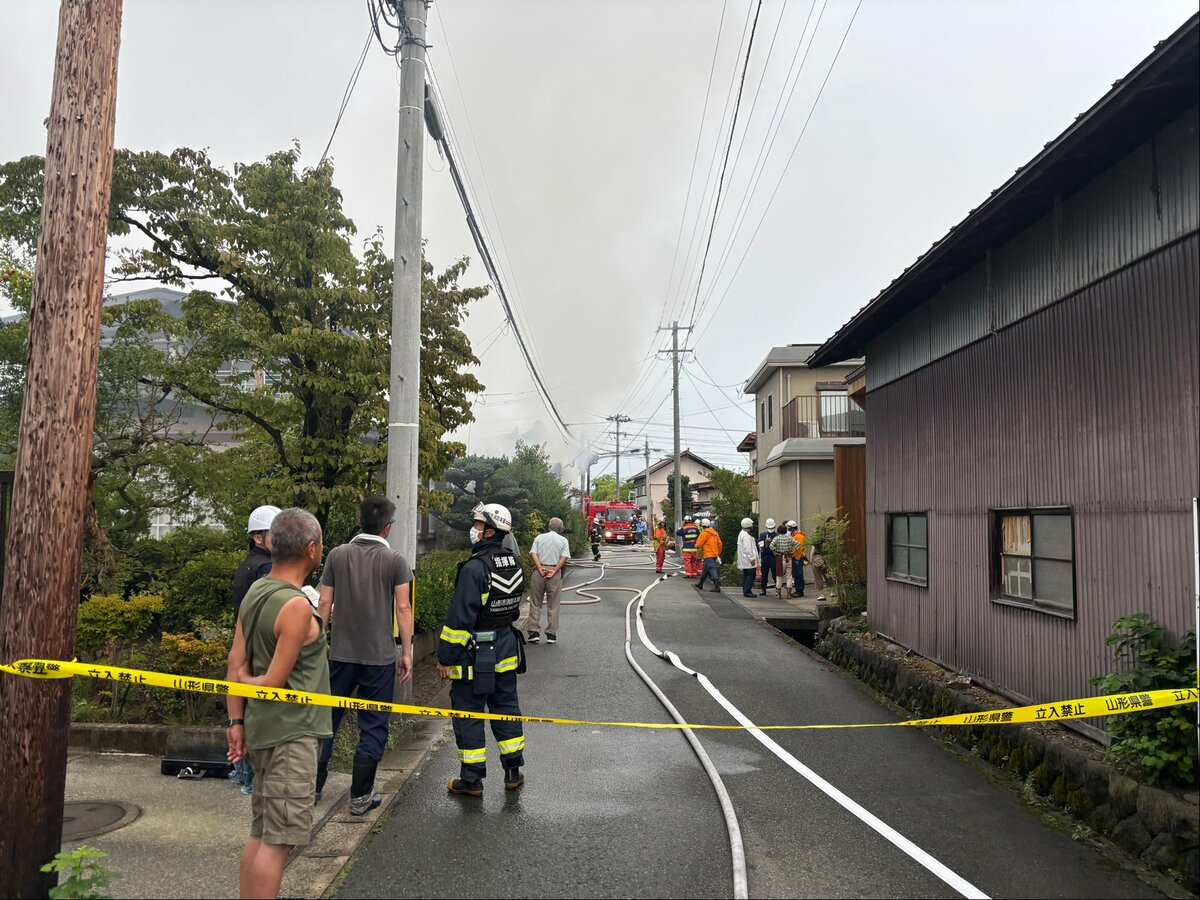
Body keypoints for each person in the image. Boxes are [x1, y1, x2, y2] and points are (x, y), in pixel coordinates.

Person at [224, 508, 331, 900]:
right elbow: (272, 679)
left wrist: (235, 721)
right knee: (279, 841)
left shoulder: (257, 591)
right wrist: (249, 684)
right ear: (312, 549)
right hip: (294, 731)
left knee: (261, 832)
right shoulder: (297, 606)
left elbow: (236, 661)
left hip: (262, 729)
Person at [314, 496, 414, 814]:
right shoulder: (396, 561)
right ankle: (360, 797)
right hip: (380, 657)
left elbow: (324, 602)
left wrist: (318, 639)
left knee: (326, 719)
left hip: (340, 654)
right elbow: (403, 607)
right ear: (387, 528)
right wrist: (407, 652)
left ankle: (312, 790)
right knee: (373, 724)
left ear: (360, 523)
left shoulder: (337, 554)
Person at [438, 502, 527, 796]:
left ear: (490, 531)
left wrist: (445, 658)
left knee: (469, 713)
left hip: (474, 654)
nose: (473, 530)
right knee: (506, 709)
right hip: (505, 649)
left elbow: (458, 621)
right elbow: (513, 610)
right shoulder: (514, 563)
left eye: (477, 525)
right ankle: (513, 772)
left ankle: (472, 780)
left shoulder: (475, 568)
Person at [228, 504, 282, 796]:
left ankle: (243, 776)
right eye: (275, 533)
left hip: (245, 646)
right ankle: (251, 782)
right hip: (261, 650)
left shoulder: (248, 564)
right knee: (258, 715)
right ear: (258, 537)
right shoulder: (264, 568)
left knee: (246, 714)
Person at [521, 517, 571, 644]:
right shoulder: (563, 540)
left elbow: (533, 553)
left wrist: (540, 567)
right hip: (554, 573)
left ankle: (533, 632)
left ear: (548, 526)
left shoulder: (539, 538)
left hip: (539, 571)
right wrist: (554, 570)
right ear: (561, 528)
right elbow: (564, 557)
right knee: (553, 604)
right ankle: (551, 634)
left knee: (535, 602)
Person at [769, 523, 800, 599]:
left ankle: (779, 594)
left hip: (780, 558)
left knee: (779, 576)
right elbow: (798, 545)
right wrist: (793, 551)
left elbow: (771, 546)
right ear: (786, 531)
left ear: (778, 531)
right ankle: (789, 594)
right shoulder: (789, 538)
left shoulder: (776, 538)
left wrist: (775, 552)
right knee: (789, 576)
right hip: (788, 557)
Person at [810, 516, 837, 600]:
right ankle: (832, 592)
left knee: (818, 577)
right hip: (826, 558)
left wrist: (811, 560)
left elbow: (812, 550)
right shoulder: (827, 539)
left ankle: (822, 595)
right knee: (828, 575)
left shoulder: (816, 540)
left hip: (817, 559)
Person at [694, 518, 723, 593]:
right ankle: (700, 584)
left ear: (702, 526)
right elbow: (720, 544)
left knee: (711, 568)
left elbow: (699, 544)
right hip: (714, 554)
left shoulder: (704, 533)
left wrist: (696, 545)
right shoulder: (715, 533)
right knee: (705, 570)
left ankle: (717, 586)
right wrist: (718, 553)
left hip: (708, 554)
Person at [736, 517, 759, 598]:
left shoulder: (742, 533)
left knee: (746, 575)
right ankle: (747, 591)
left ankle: (746, 590)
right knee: (751, 575)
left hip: (745, 559)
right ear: (749, 526)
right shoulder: (745, 535)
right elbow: (748, 548)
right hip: (748, 560)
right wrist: (752, 558)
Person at [757, 518, 777, 596]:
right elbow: (759, 544)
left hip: (773, 557)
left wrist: (771, 542)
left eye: (771, 528)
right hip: (765, 556)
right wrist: (765, 542)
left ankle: (777, 589)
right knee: (764, 573)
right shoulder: (762, 535)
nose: (770, 529)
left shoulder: (777, 535)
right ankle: (763, 589)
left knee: (775, 573)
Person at [788, 520, 807, 598]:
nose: (788, 530)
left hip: (798, 558)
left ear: (792, 528)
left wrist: (792, 553)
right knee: (796, 575)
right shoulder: (795, 535)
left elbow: (798, 548)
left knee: (798, 575)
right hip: (795, 558)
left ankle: (799, 591)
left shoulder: (799, 536)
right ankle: (798, 590)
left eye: (789, 528)